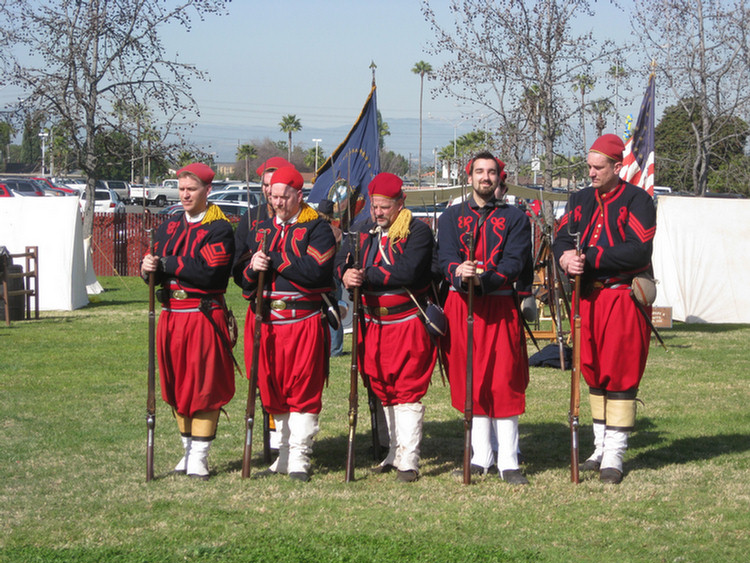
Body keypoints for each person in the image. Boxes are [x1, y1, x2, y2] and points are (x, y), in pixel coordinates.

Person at [552, 134, 656, 484]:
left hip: (621, 297)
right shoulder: (579, 199)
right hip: (587, 299)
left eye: (599, 167)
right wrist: (565, 257)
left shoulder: (638, 200)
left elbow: (638, 250)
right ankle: (599, 447)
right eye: (590, 167)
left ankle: (615, 454)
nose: (592, 173)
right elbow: (563, 238)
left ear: (616, 166)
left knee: (620, 372)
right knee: (593, 370)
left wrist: (590, 258)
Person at [437, 151, 532, 485]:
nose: (485, 178)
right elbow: (445, 256)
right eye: (479, 172)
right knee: (471, 380)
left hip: (500, 306)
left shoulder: (516, 218)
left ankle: (508, 460)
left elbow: (515, 261)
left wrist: (485, 279)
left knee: (504, 380)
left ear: (498, 178)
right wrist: (458, 273)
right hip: (462, 307)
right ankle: (480, 456)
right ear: (470, 177)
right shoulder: (450, 217)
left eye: (491, 172)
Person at [236, 166, 336, 482]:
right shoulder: (260, 229)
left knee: (303, 388)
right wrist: (253, 267)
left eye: (284, 197)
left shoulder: (316, 228)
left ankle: (300, 458)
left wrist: (275, 259)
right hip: (266, 321)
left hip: (302, 319)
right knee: (272, 387)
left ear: (298, 195)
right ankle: (282, 454)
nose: (278, 202)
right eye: (274, 196)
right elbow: (242, 279)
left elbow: (315, 271)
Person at [337, 173, 437, 482]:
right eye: (375, 206)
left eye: (384, 207)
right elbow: (342, 259)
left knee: (406, 388)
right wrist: (344, 275)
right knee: (382, 386)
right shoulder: (361, 231)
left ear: (400, 204)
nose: (378, 212)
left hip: (406, 321)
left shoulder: (417, 232)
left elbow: (406, 272)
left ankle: (409, 458)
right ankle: (393, 451)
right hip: (372, 321)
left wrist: (364, 275)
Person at [140, 162, 236, 480]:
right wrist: (148, 268)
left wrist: (167, 263)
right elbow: (159, 272)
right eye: (181, 189)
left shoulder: (219, 228)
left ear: (207, 191)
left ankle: (200, 455)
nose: (184, 195)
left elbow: (209, 271)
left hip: (202, 316)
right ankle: (186, 450)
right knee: (176, 384)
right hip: (171, 316)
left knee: (204, 385)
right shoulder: (168, 226)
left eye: (191, 189)